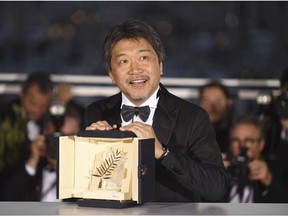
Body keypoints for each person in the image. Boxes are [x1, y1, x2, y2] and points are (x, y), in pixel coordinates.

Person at [84, 19, 229, 202]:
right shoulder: (95, 113)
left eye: (143, 58)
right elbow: (82, 189)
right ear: (111, 74)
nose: (135, 70)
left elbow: (217, 187)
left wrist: (163, 153)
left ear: (160, 65)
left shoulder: (193, 117)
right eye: (124, 61)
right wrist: (90, 151)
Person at [1, 100, 84, 201]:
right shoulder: (29, 161)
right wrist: (32, 161)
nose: (60, 143)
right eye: (55, 137)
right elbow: (7, 199)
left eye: (68, 137)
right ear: (44, 134)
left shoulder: (85, 172)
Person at [0, 72, 53, 200]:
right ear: (22, 94)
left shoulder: (49, 122)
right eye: (33, 104)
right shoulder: (4, 118)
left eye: (43, 106)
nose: (37, 111)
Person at [222, 115, 288, 203]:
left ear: (261, 144)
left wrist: (269, 181)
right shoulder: (223, 171)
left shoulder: (277, 172)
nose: (242, 146)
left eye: (248, 141)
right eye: (236, 140)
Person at [199, 81, 233, 153]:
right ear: (200, 104)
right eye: (206, 100)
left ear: (228, 102)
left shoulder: (237, 134)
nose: (212, 106)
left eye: (218, 100)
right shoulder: (191, 135)